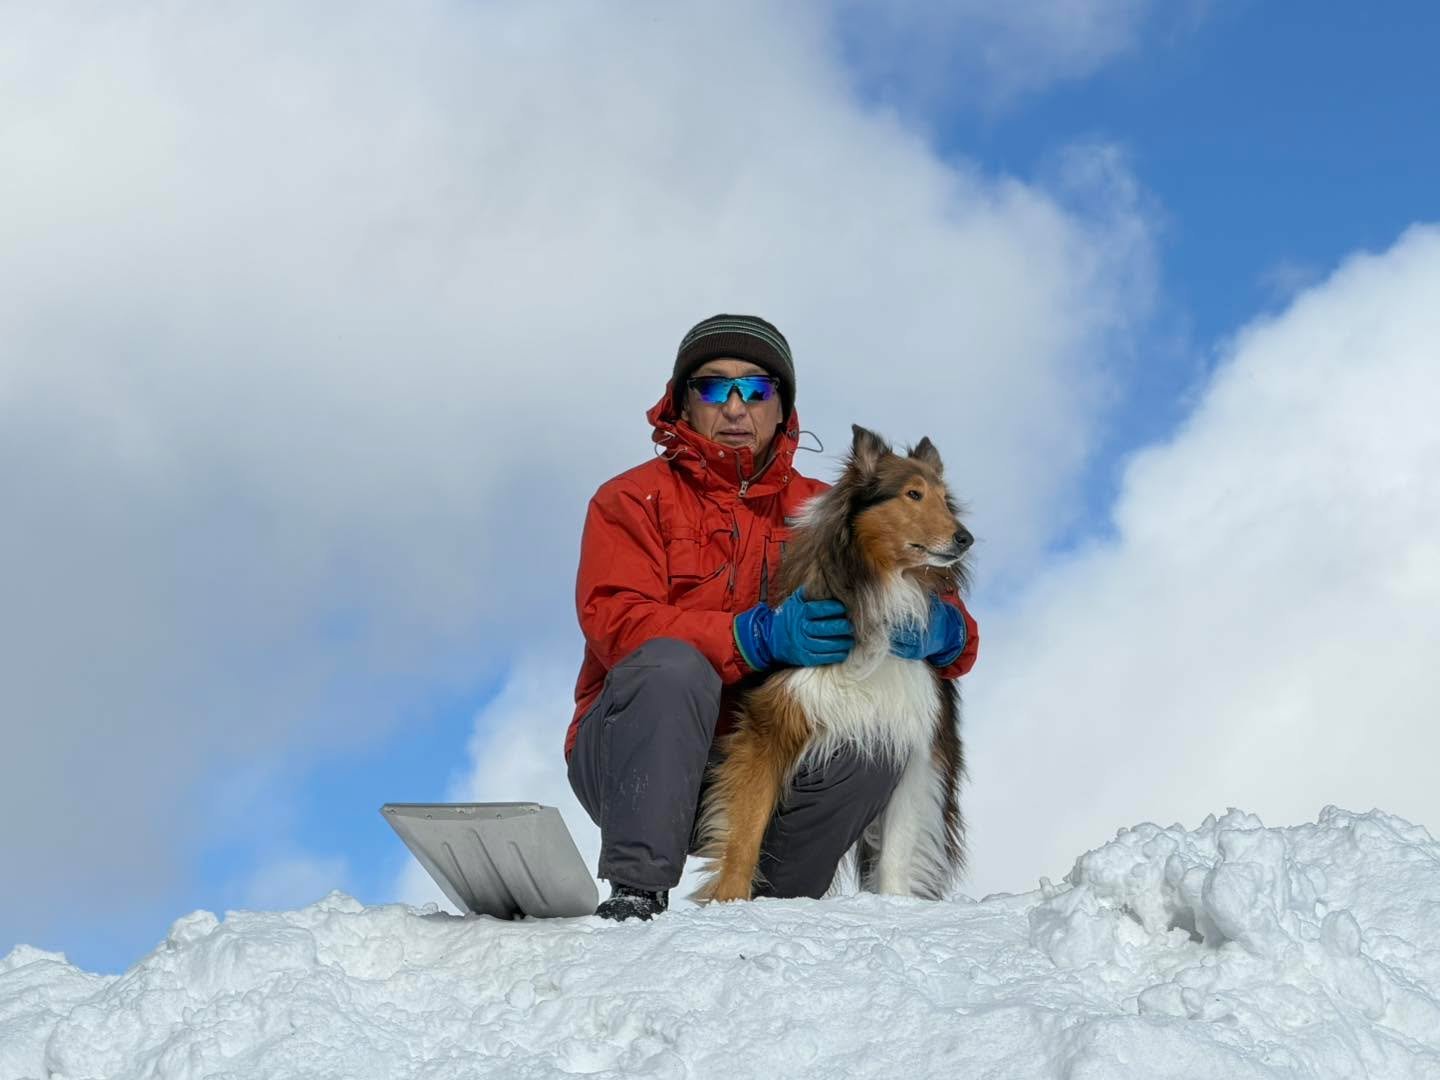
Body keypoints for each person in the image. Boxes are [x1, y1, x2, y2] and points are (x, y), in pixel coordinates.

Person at [565, 314, 980, 921]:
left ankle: (772, 915)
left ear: (782, 408)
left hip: (771, 760)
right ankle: (637, 892)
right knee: (672, 666)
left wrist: (948, 630)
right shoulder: (630, 499)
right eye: (714, 387)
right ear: (682, 401)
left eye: (757, 389)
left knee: (874, 744)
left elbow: (921, 581)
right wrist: (750, 638)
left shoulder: (819, 507)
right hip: (633, 758)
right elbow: (615, 621)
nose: (736, 407)